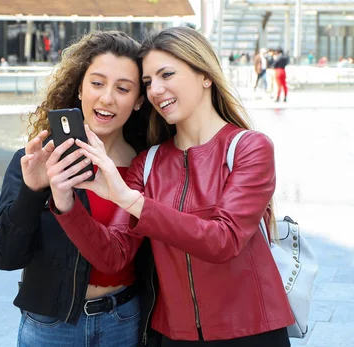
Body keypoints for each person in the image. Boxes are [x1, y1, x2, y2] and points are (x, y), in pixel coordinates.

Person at [48, 26, 294, 347]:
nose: (156, 90)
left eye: (167, 74)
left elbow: (223, 240)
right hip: (172, 336)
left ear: (205, 75)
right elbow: (113, 256)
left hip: (249, 332)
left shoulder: (249, 147)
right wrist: (65, 202)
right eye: (148, 83)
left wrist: (132, 200)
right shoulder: (148, 163)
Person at [0, 30, 153, 346]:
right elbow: (3, 256)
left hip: (123, 321)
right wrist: (32, 191)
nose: (107, 98)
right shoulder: (36, 161)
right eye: (97, 83)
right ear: (79, 88)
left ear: (138, 100)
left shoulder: (148, 164)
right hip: (51, 327)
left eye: (123, 88)